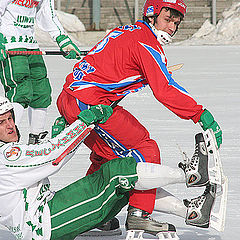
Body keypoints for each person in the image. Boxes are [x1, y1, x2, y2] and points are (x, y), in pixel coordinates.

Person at [56, 0, 222, 233]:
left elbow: (108, 73)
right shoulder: (147, 44)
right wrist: (201, 115)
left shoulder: (125, 32)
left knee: (107, 158)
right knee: (144, 150)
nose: (172, 28)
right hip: (88, 103)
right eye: (168, 19)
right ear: (152, 14)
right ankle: (139, 214)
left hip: (75, 99)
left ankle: (91, 214)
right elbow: (165, 89)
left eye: (176, 23)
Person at [0, 95, 216, 240]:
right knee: (118, 173)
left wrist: (61, 137)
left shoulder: (7, 154)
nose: (10, 125)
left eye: (10, 118)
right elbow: (53, 157)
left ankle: (192, 212)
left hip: (45, 215)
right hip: (45, 221)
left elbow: (45, 160)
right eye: (2, 122)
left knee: (124, 180)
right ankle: (190, 174)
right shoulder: (7, 155)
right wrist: (83, 124)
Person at [0, 0, 81, 144]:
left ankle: (35, 139)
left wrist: (63, 40)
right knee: (20, 91)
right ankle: (9, 141)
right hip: (9, 44)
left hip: (31, 45)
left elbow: (47, 13)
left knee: (41, 92)